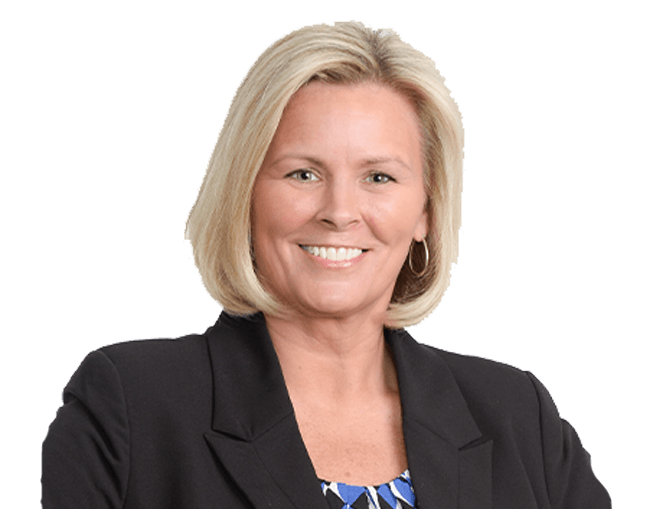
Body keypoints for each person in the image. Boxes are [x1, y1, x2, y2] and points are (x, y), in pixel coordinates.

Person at [41, 21, 610, 508]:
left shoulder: (517, 414)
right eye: (303, 173)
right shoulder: (130, 404)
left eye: (378, 177)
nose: (339, 212)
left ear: (426, 211)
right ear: (245, 193)